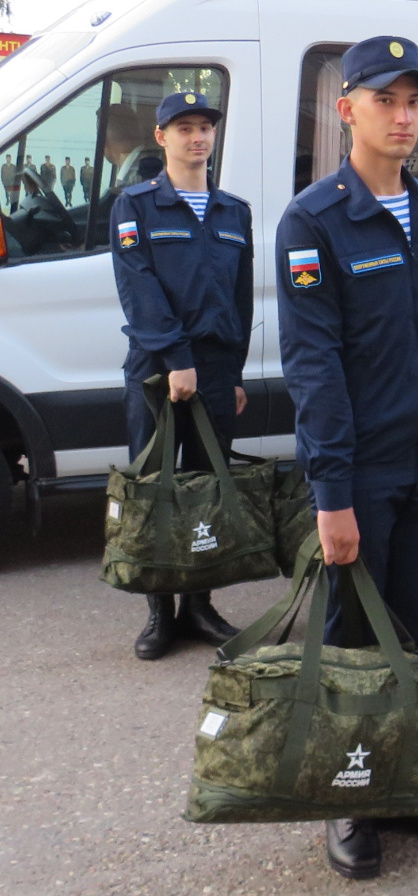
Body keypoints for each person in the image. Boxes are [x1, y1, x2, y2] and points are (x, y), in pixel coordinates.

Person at [276, 36, 418, 879]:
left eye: (414, 101)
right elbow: (313, 365)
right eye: (385, 100)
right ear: (347, 110)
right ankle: (349, 799)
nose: (403, 117)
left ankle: (408, 785)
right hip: (361, 470)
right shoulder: (314, 219)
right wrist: (331, 493)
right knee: (355, 643)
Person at [111, 91, 252, 662]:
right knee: (157, 492)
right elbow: (137, 287)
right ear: (161, 136)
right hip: (157, 371)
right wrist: (176, 359)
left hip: (215, 370)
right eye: (185, 128)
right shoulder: (136, 205)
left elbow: (239, 298)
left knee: (208, 490)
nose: (198, 137)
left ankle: (198, 605)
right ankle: (159, 613)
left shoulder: (233, 211)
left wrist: (234, 372)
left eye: (205, 128)